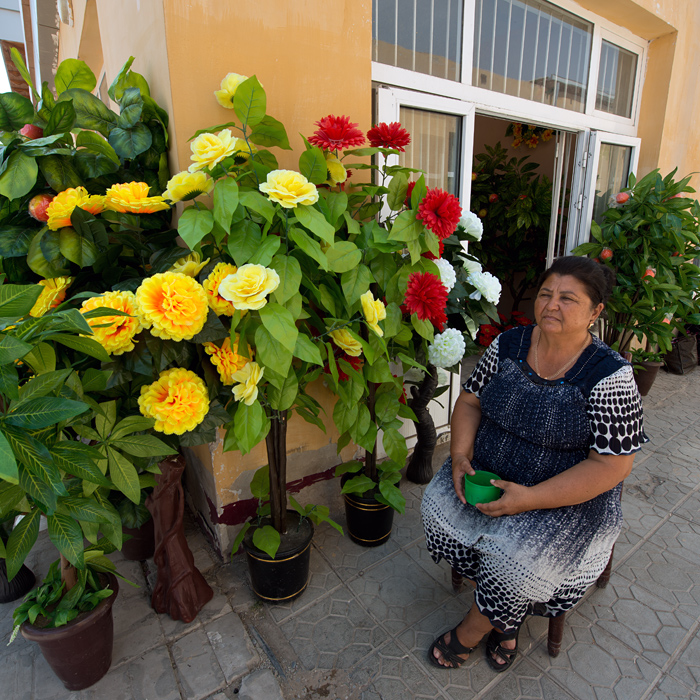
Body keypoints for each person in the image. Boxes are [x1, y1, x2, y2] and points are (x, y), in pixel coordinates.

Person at [421, 256, 648, 672]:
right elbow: (470, 401)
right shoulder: (508, 344)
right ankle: (503, 612)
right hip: (491, 471)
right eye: (545, 294)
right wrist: (458, 456)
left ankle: (475, 629)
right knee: (437, 509)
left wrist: (531, 499)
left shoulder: (610, 375)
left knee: (515, 562)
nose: (551, 305)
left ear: (596, 312)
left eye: (568, 299)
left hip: (565, 497)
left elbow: (611, 466)